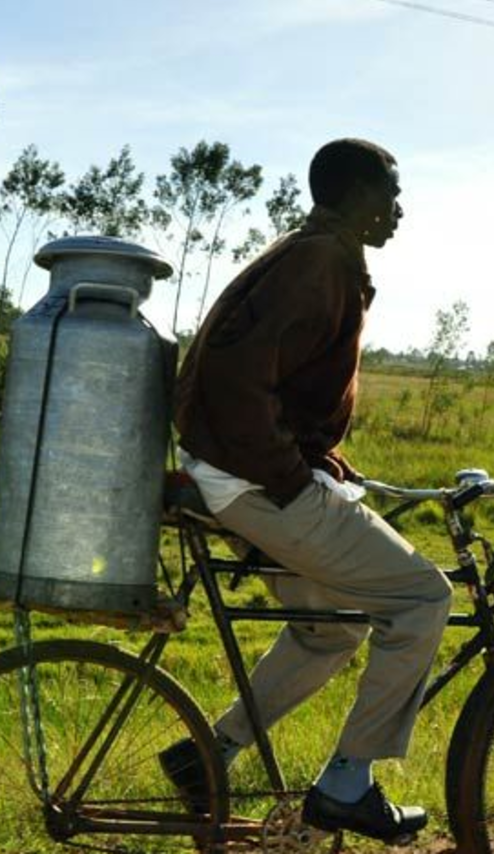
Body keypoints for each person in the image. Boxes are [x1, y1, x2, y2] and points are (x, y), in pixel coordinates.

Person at [161, 137, 452, 843]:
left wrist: (321, 459)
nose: (399, 209)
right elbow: (236, 376)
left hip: (238, 473)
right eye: (391, 193)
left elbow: (279, 382)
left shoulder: (317, 253)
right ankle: (347, 782)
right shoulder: (320, 260)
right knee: (423, 597)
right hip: (252, 482)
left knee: (335, 626)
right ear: (354, 195)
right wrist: (292, 477)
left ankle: (210, 755)